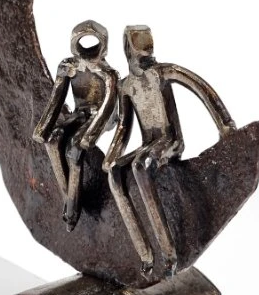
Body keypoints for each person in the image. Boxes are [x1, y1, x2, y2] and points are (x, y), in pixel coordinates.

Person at [103, 25, 236, 277]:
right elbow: (124, 127)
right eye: (138, 51)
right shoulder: (126, 86)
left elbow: (198, 86)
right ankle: (145, 254)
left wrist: (224, 124)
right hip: (148, 144)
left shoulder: (161, 73)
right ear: (128, 52)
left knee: (140, 166)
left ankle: (168, 254)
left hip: (169, 142)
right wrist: (112, 155)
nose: (144, 57)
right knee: (115, 173)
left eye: (147, 51)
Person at [33, 19, 118, 231]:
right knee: (53, 140)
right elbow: (57, 98)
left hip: (103, 118)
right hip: (81, 113)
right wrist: (43, 128)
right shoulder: (68, 67)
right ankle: (68, 197)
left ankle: (71, 210)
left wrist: (89, 137)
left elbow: (108, 107)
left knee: (75, 150)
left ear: (103, 46)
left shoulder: (108, 74)